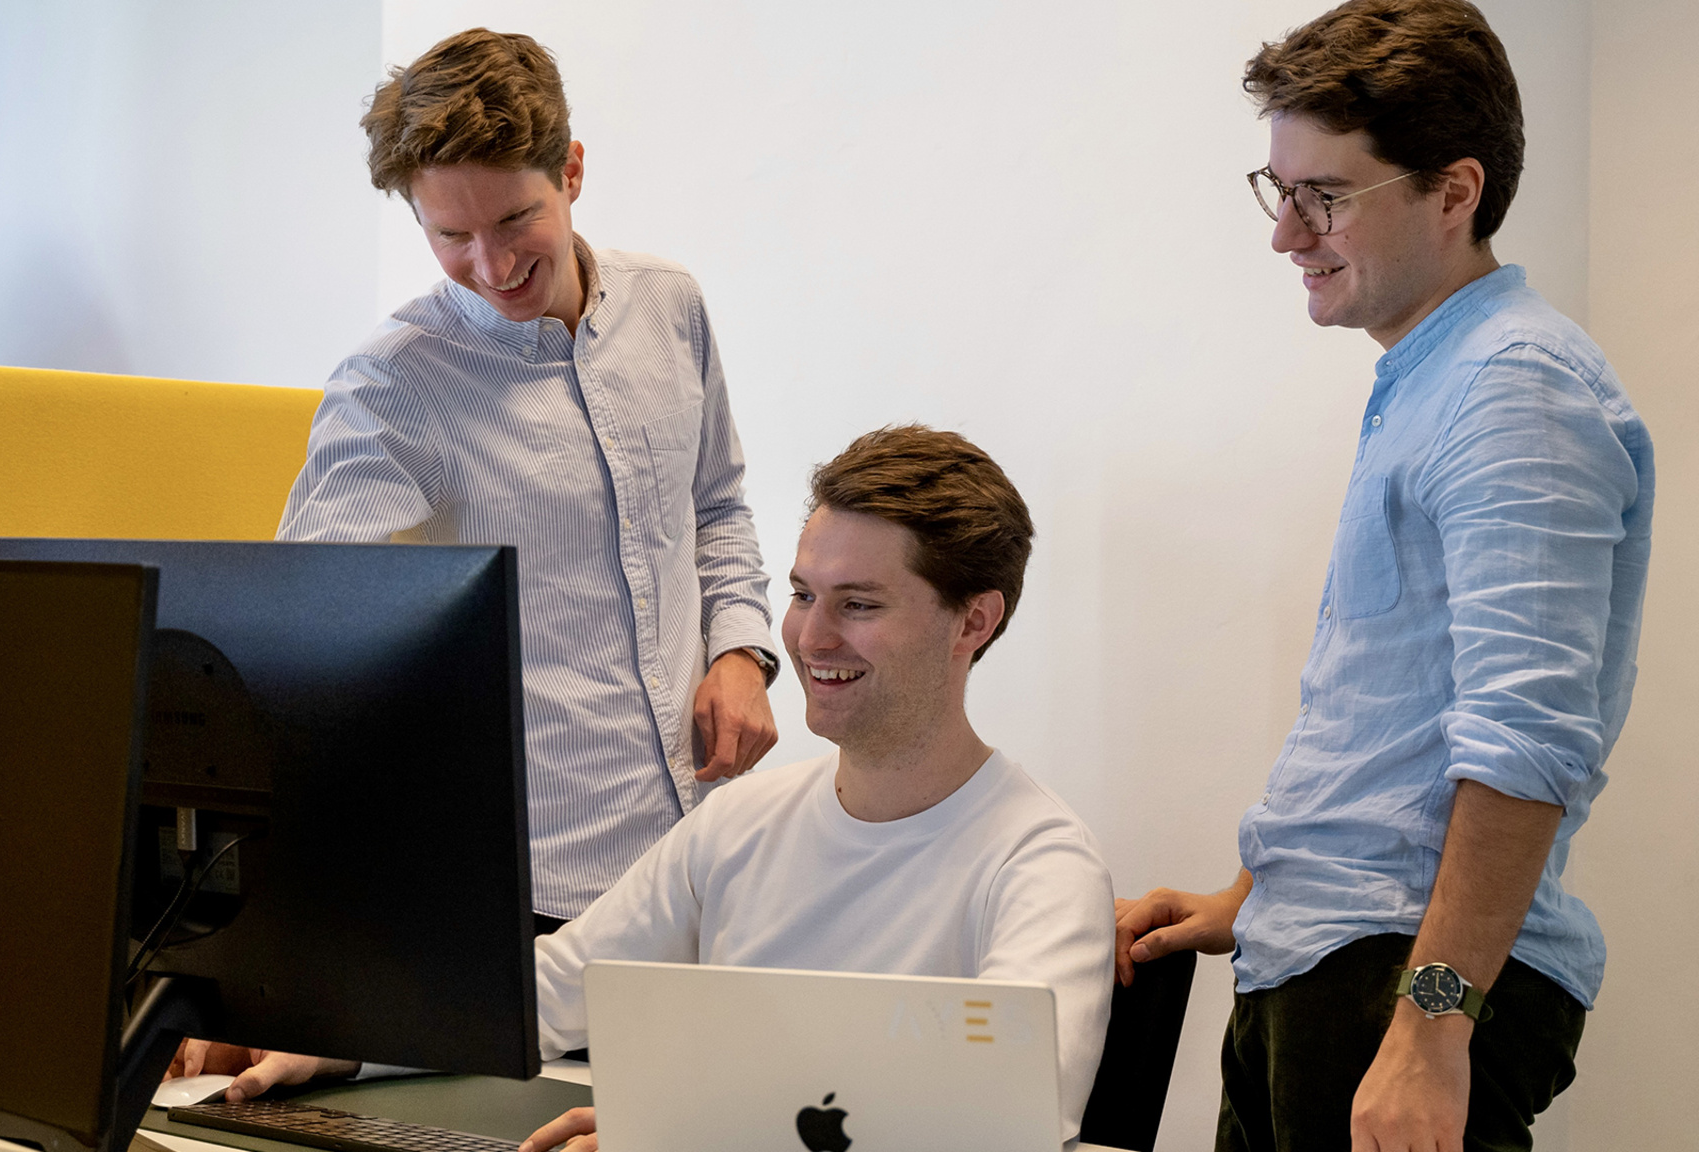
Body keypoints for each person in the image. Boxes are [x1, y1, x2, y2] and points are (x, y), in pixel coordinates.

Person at [172, 25, 778, 1097]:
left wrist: (740, 651)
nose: (490, 266)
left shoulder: (670, 307)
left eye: (515, 221)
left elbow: (715, 503)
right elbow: (294, 646)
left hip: (699, 863)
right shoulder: (390, 384)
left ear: (572, 171)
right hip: (526, 890)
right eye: (449, 234)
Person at [1113, 3, 1654, 1150]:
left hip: (1393, 994)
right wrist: (1252, 899)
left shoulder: (1514, 391)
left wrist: (1430, 1027)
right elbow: (1389, 728)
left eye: (1325, 196)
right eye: (1278, 191)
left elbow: (1522, 738)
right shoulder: (1433, 378)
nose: (1286, 235)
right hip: (1329, 963)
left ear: (1452, 191)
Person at [520, 426, 1116, 1152]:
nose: (810, 638)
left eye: (859, 605)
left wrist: (682, 1136)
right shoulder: (740, 822)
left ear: (973, 620)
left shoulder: (1041, 865)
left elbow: (1001, 1129)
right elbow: (548, 994)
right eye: (804, 594)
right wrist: (358, 1032)